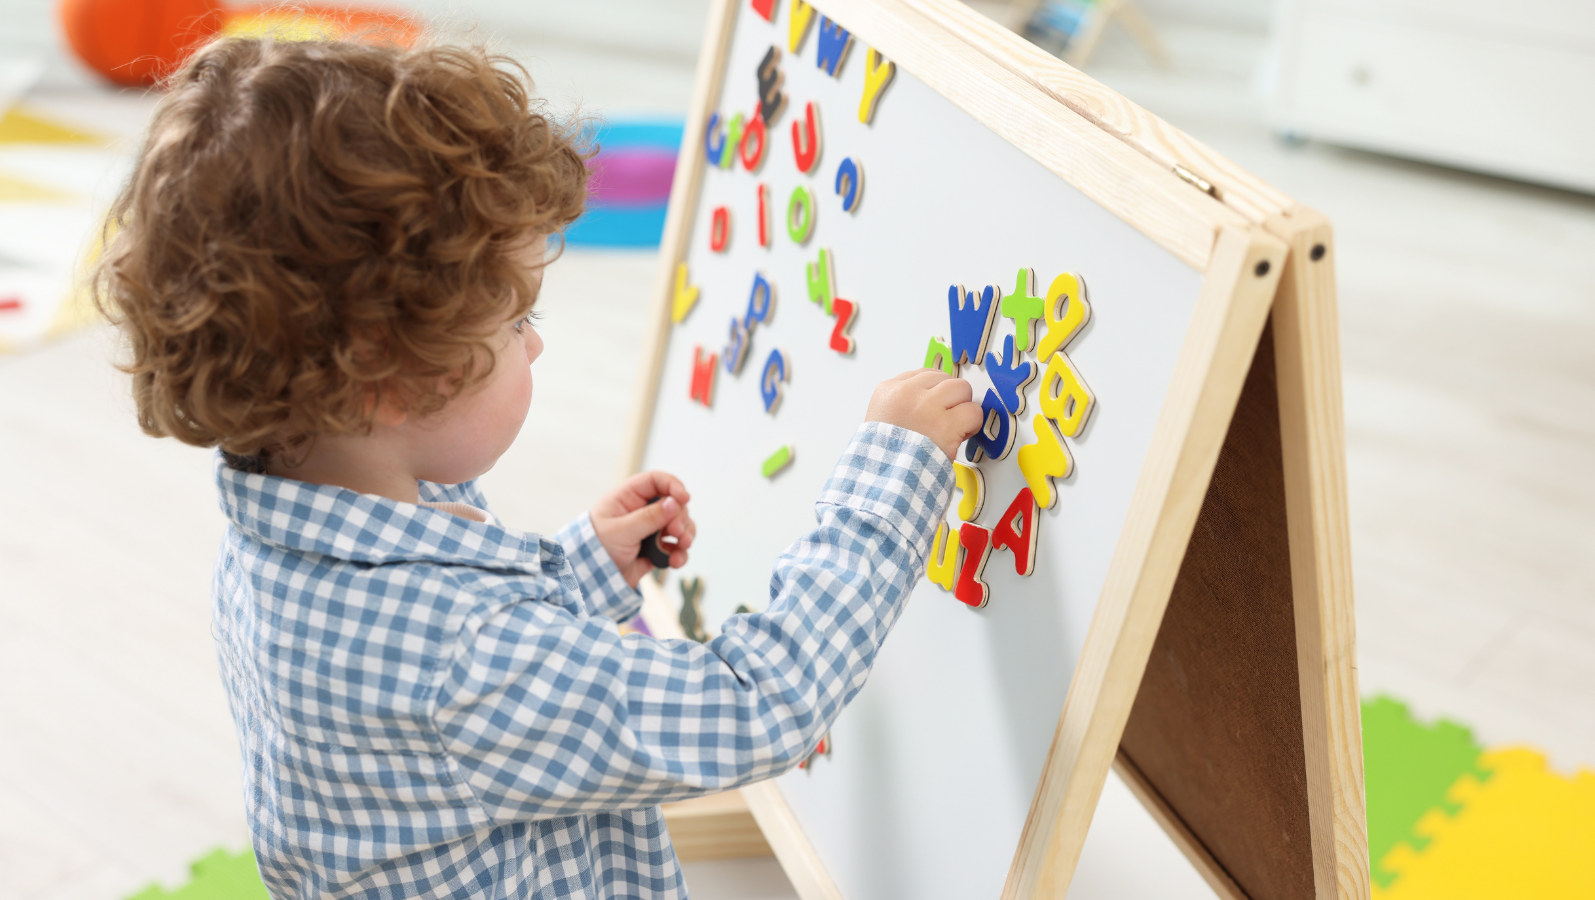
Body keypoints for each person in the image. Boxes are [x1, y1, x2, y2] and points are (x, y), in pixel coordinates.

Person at [97, 36, 982, 900]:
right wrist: (893, 475)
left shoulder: (286, 525)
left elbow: (459, 696)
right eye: (517, 318)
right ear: (394, 381)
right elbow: (754, 706)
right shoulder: (465, 660)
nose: (538, 339)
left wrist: (580, 567)